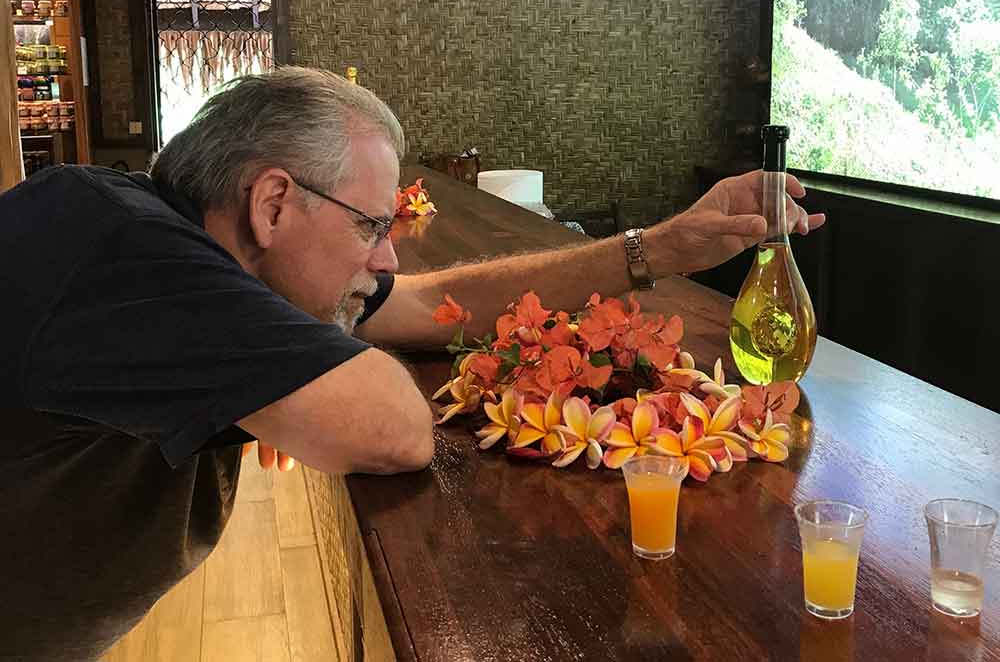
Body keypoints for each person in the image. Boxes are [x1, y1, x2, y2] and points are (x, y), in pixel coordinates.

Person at [0, 66, 824, 661]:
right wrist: (304, 373)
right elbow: (392, 431)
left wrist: (660, 247)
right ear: (274, 202)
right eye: (370, 224)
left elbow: (425, 304)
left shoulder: (198, 255)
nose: (387, 249)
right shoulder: (115, 244)